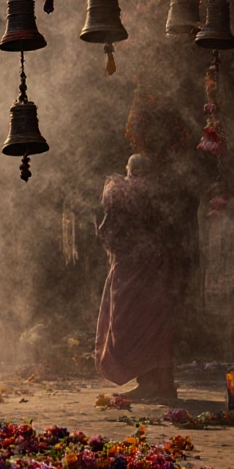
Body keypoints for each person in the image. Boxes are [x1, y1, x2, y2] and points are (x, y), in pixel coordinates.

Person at [94, 153, 178, 400]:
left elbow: (107, 230)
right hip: (157, 265)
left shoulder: (119, 192)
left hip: (133, 265)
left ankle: (152, 384)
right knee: (157, 325)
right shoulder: (160, 193)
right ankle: (162, 384)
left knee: (130, 323)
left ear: (128, 170)